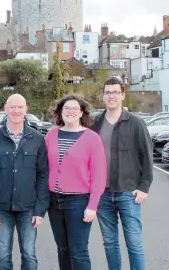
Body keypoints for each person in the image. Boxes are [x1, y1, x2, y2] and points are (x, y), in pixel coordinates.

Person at [0, 94, 49, 270]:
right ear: (5, 108)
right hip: (1, 209)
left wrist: (40, 210)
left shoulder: (37, 139)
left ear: (26, 109)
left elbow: (43, 175)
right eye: (12, 107)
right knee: (3, 258)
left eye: (20, 107)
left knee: (29, 256)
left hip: (28, 208)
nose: (16, 111)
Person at [92, 76, 153, 270]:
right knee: (110, 243)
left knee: (134, 243)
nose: (111, 96)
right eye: (108, 92)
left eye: (115, 92)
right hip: (102, 194)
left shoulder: (135, 123)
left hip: (128, 192)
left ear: (123, 95)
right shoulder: (95, 124)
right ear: (103, 96)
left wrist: (144, 187)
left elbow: (147, 156)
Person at [45, 94, 107, 270]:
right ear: (60, 112)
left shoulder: (92, 138)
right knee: (63, 248)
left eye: (74, 108)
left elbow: (99, 174)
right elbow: (43, 167)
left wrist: (93, 205)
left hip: (78, 202)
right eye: (66, 108)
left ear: (82, 113)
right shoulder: (51, 135)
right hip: (54, 201)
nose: (70, 111)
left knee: (78, 251)